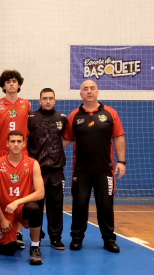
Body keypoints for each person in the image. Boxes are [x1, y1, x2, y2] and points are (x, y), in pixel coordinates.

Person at [63, 80, 126, 253]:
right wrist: (46, 148)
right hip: (81, 171)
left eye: (92, 88)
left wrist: (121, 162)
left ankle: (109, 239)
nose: (89, 91)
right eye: (85, 89)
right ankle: (77, 238)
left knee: (106, 206)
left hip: (105, 170)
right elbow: (67, 139)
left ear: (97, 91)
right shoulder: (74, 115)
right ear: (81, 94)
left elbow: (119, 137)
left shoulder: (110, 113)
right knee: (79, 205)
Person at [0, 130, 45, 265]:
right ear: (7, 144)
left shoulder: (33, 163)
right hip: (5, 212)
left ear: (24, 144)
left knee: (34, 208)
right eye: (12, 141)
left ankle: (35, 246)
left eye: (19, 141)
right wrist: (2, 218)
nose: (16, 144)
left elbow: (40, 192)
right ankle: (6, 234)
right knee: (8, 250)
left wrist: (17, 202)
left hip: (21, 208)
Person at [0, 69, 31, 249]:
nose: (11, 84)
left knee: (20, 193)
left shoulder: (27, 104)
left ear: (19, 84)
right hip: (1, 153)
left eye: (14, 81)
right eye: (8, 82)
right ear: (3, 86)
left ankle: (19, 233)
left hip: (21, 154)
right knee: (0, 195)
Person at [27, 88, 68, 250]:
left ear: (55, 100)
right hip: (37, 171)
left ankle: (56, 238)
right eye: (45, 98)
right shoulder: (31, 118)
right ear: (40, 100)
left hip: (57, 171)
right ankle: (36, 236)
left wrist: (56, 149)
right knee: (35, 206)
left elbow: (68, 137)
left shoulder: (62, 118)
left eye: (51, 98)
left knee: (56, 205)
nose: (48, 101)